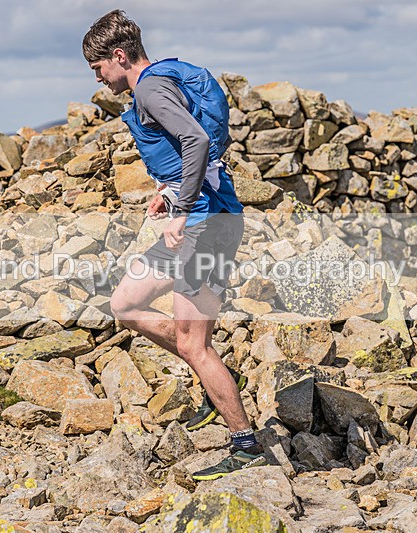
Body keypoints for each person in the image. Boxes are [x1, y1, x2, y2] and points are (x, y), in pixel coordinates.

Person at [82, 10, 266, 480]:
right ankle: (218, 377)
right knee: (125, 302)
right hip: (206, 215)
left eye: (98, 68)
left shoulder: (148, 87)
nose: (100, 78)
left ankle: (246, 445)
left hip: (206, 226)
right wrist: (168, 192)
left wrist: (181, 207)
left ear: (118, 56)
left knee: (193, 345)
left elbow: (196, 138)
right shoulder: (163, 80)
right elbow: (189, 150)